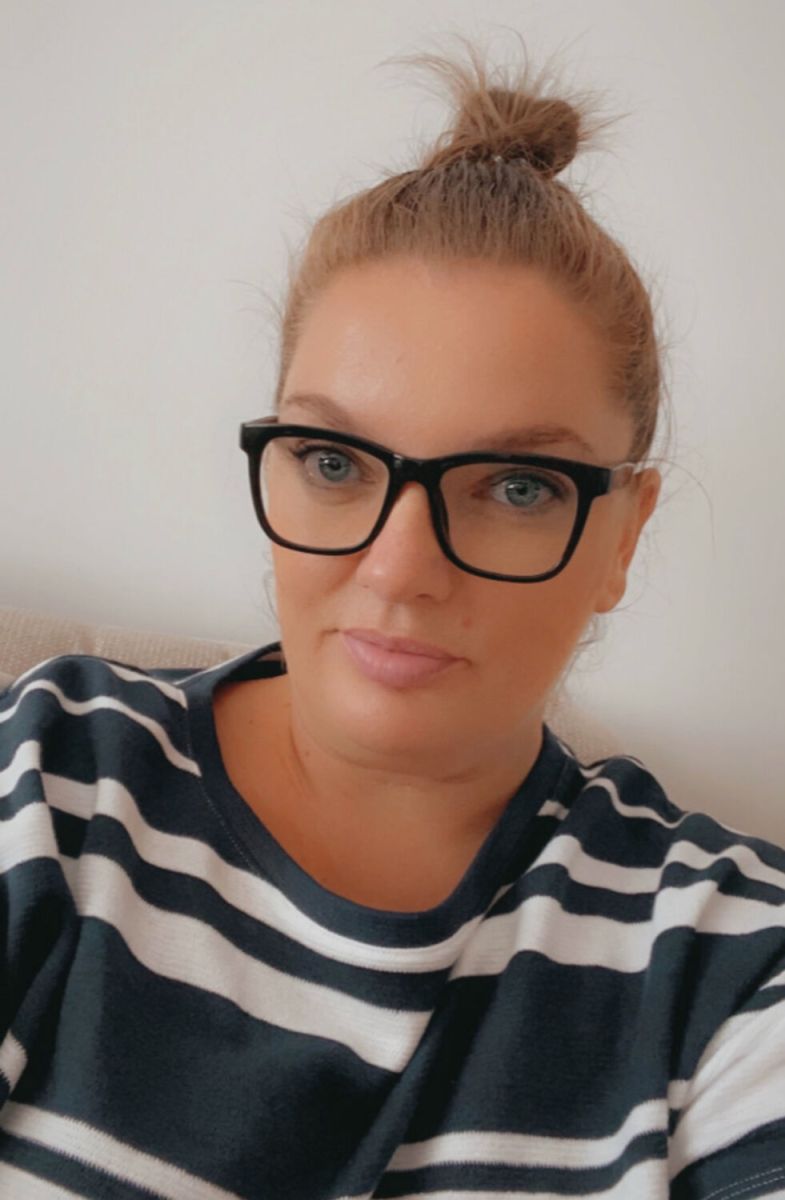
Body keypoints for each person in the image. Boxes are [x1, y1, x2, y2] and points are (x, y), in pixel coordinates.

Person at [1, 33, 784, 1200]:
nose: (397, 567)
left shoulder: (723, 966)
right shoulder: (52, 772)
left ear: (621, 534)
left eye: (515, 486)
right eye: (332, 461)